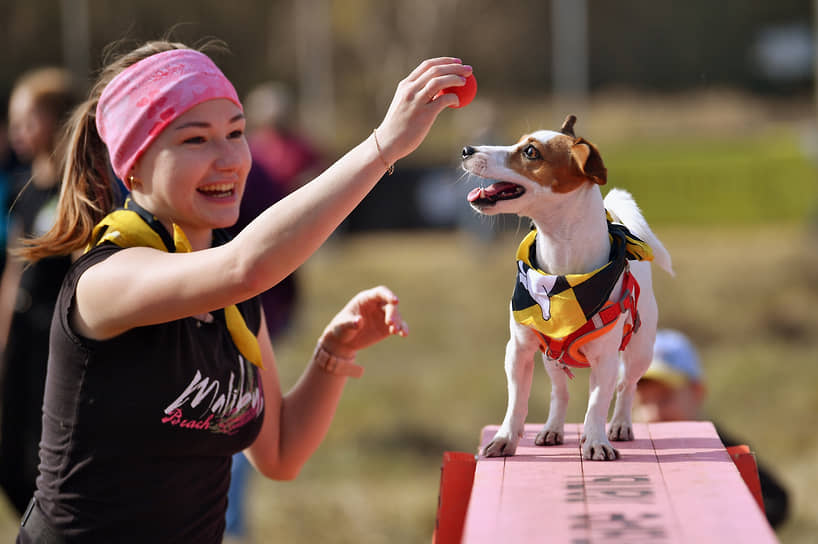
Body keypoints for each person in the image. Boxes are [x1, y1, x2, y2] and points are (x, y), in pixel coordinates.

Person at [13, 39, 471, 543]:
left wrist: (333, 353)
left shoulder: (230, 295)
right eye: (196, 140)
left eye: (236, 132)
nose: (229, 158)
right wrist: (383, 144)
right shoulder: (105, 280)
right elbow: (248, 264)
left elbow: (279, 452)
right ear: (134, 164)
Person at [222, 82, 324, 543]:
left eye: (231, 133)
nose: (225, 155)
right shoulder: (258, 161)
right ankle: (230, 523)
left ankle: (231, 524)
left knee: (244, 415)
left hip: (262, 306)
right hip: (256, 302)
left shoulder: (264, 165)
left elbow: (277, 249)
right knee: (234, 419)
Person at [0, 67, 77, 516]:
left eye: (28, 119)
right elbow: (13, 269)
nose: (17, 132)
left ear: (57, 119)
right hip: (24, 340)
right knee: (10, 455)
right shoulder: (23, 186)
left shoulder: (79, 188)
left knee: (42, 454)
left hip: (56, 341)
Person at [634, 329, 790, 529]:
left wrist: (728, 525)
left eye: (666, 398)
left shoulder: (723, 450)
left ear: (697, 392)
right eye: (643, 401)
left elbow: (776, 500)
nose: (654, 413)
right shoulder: (629, 453)